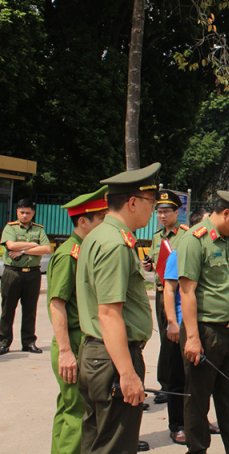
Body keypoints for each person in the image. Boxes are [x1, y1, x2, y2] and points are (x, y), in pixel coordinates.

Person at [76, 162, 161, 454]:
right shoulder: (114, 243)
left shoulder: (97, 236)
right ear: (133, 202)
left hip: (96, 354)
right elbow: (109, 313)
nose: (154, 211)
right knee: (115, 446)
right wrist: (127, 373)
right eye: (151, 203)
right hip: (113, 358)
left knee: (95, 441)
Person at [178, 191, 229, 454]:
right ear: (226, 213)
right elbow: (187, 291)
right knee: (198, 400)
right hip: (204, 332)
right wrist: (192, 338)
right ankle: (197, 450)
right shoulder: (195, 240)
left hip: (227, 331)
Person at [47, 186, 109, 454]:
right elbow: (56, 304)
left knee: (69, 407)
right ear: (83, 221)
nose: (106, 223)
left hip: (78, 341)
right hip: (71, 341)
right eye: (101, 218)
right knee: (77, 413)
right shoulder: (69, 254)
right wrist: (65, 352)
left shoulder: (83, 249)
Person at [160, 209, 213, 445]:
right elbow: (169, 291)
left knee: (202, 379)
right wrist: (172, 323)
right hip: (181, 326)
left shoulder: (209, 253)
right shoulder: (179, 254)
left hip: (204, 326)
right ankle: (178, 425)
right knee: (179, 378)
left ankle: (199, 420)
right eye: (206, 223)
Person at [141, 189, 188, 405]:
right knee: (164, 341)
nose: (162, 215)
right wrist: (147, 265)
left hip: (178, 295)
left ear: (176, 212)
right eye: (159, 211)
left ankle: (177, 384)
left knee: (176, 341)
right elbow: (155, 262)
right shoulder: (156, 237)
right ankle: (165, 385)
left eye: (167, 211)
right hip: (160, 293)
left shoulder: (185, 235)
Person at [0, 198, 52, 354]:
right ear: (17, 212)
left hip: (33, 274)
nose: (24, 215)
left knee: (30, 310)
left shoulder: (38, 230)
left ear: (33, 213)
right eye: (21, 212)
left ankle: (29, 342)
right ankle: (3, 342)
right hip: (12, 273)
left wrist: (23, 251)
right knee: (7, 309)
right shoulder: (11, 228)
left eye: (28, 212)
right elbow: (11, 245)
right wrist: (34, 245)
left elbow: (47, 249)